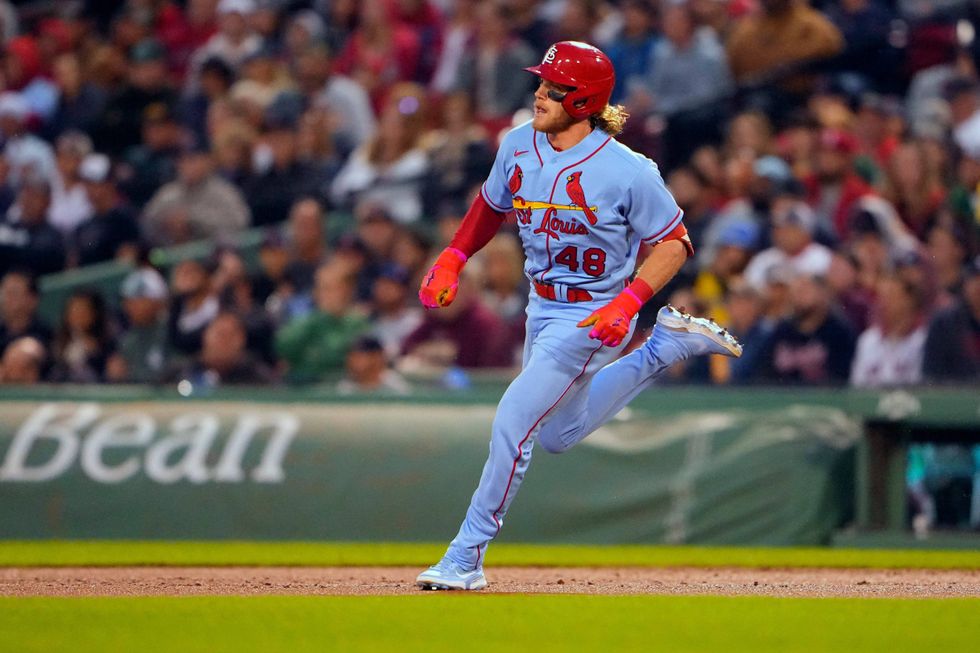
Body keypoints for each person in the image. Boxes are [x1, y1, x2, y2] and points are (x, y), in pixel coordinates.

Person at [414, 41, 742, 591]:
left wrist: (628, 302)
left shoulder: (628, 170)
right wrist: (453, 256)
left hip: (596, 313)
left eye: (554, 87)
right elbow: (490, 205)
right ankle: (664, 348)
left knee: (514, 422)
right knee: (558, 435)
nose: (540, 93)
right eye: (541, 83)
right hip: (540, 305)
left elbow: (675, 243)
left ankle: (465, 556)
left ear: (585, 99)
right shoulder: (518, 144)